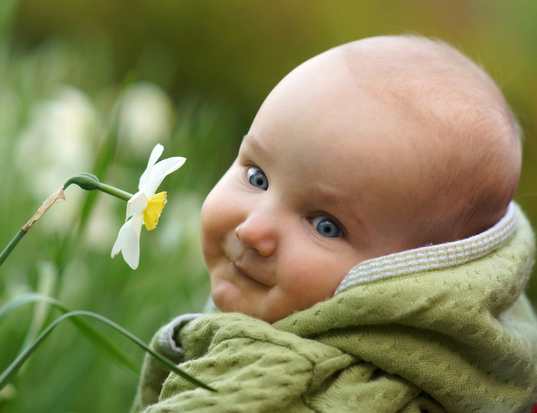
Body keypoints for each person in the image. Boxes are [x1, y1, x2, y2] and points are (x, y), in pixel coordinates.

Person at [130, 35, 537, 412]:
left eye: (325, 225)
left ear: (413, 275)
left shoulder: (305, 391)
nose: (252, 230)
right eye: (257, 177)